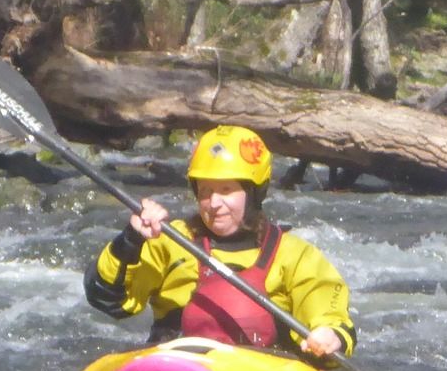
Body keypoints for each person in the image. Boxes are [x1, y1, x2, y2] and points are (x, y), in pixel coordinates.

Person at [84, 125, 355, 358]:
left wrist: (329, 335)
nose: (213, 203)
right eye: (205, 191)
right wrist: (129, 242)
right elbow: (108, 300)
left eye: (226, 190)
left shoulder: (294, 254)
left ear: (253, 193)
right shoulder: (171, 239)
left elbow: (328, 314)